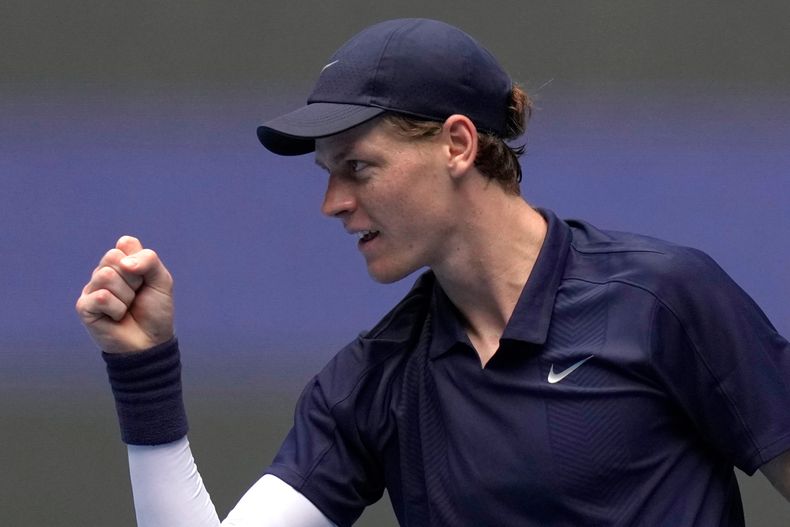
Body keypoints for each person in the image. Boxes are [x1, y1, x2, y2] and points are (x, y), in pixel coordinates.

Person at [75, 18, 790, 527]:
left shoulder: (666, 299)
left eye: (358, 166)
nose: (332, 203)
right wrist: (143, 369)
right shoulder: (371, 383)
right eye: (327, 173)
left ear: (456, 144)